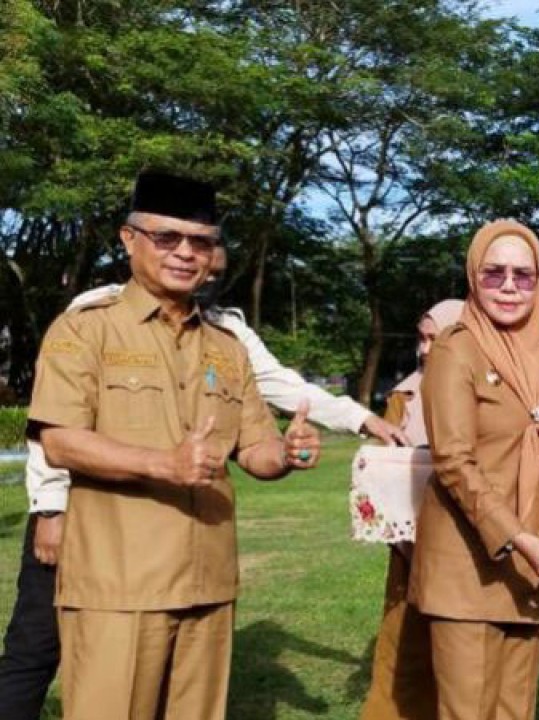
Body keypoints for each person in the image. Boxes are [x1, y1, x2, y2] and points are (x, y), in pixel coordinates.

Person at [0, 245, 404, 720]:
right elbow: (58, 429)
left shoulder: (226, 334)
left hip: (186, 547)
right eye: (177, 246)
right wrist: (50, 508)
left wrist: (357, 420)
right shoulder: (92, 318)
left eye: (215, 268)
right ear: (134, 242)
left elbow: (282, 387)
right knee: (37, 647)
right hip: (93, 528)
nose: (199, 269)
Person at [22, 171, 322, 719]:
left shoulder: (227, 347)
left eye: (201, 241)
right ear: (129, 239)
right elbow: (60, 443)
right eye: (167, 238)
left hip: (207, 585)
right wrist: (163, 463)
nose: (186, 253)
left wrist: (288, 453)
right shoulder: (85, 331)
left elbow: (255, 450)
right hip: (120, 587)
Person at [408, 220, 539, 720]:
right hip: (467, 568)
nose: (509, 286)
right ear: (473, 277)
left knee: (515, 710)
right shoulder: (455, 350)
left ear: (538, 282)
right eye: (494, 274)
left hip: (530, 571)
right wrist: (517, 537)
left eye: (523, 275)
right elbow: (453, 461)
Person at [360, 299, 464, 720]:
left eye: (435, 340)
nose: (424, 350)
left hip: (463, 544)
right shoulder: (403, 397)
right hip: (408, 543)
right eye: (421, 339)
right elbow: (384, 476)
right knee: (405, 640)